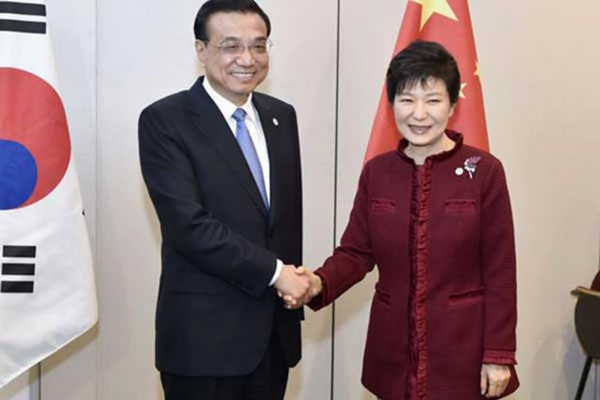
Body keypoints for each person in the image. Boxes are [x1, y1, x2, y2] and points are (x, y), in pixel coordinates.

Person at [290, 40, 519, 399]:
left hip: (463, 350)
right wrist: (317, 283)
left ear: (453, 105)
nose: (419, 113)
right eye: (407, 99)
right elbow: (356, 253)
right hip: (392, 350)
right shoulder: (377, 173)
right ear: (392, 102)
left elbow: (500, 270)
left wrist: (498, 354)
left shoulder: (485, 171)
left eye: (433, 100)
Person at [138, 1, 310, 399]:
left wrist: (294, 288)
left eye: (259, 45)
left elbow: (282, 223)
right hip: (203, 344)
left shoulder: (281, 117)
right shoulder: (165, 120)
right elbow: (189, 227)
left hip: (272, 339)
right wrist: (276, 273)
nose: (247, 59)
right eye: (231, 46)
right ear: (202, 50)